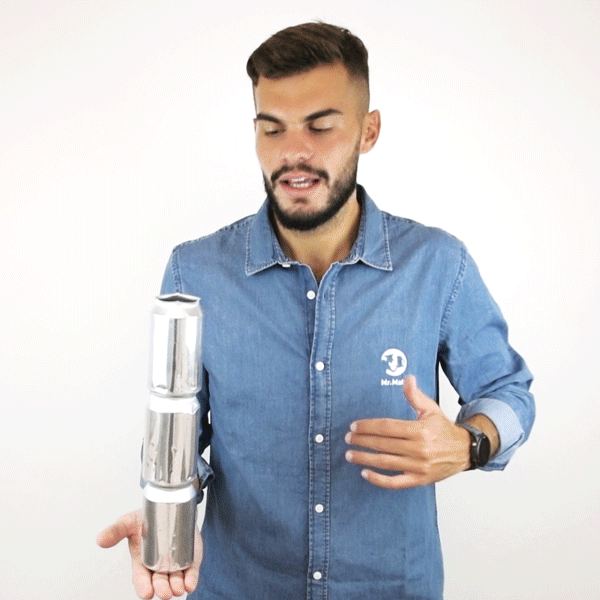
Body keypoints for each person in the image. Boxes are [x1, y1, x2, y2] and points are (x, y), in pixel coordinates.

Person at [97, 22, 535, 600]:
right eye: (271, 128)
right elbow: (178, 428)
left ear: (368, 131)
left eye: (320, 126)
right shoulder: (195, 272)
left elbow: (507, 389)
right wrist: (167, 516)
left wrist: (470, 443)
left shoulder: (438, 264)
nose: (293, 153)